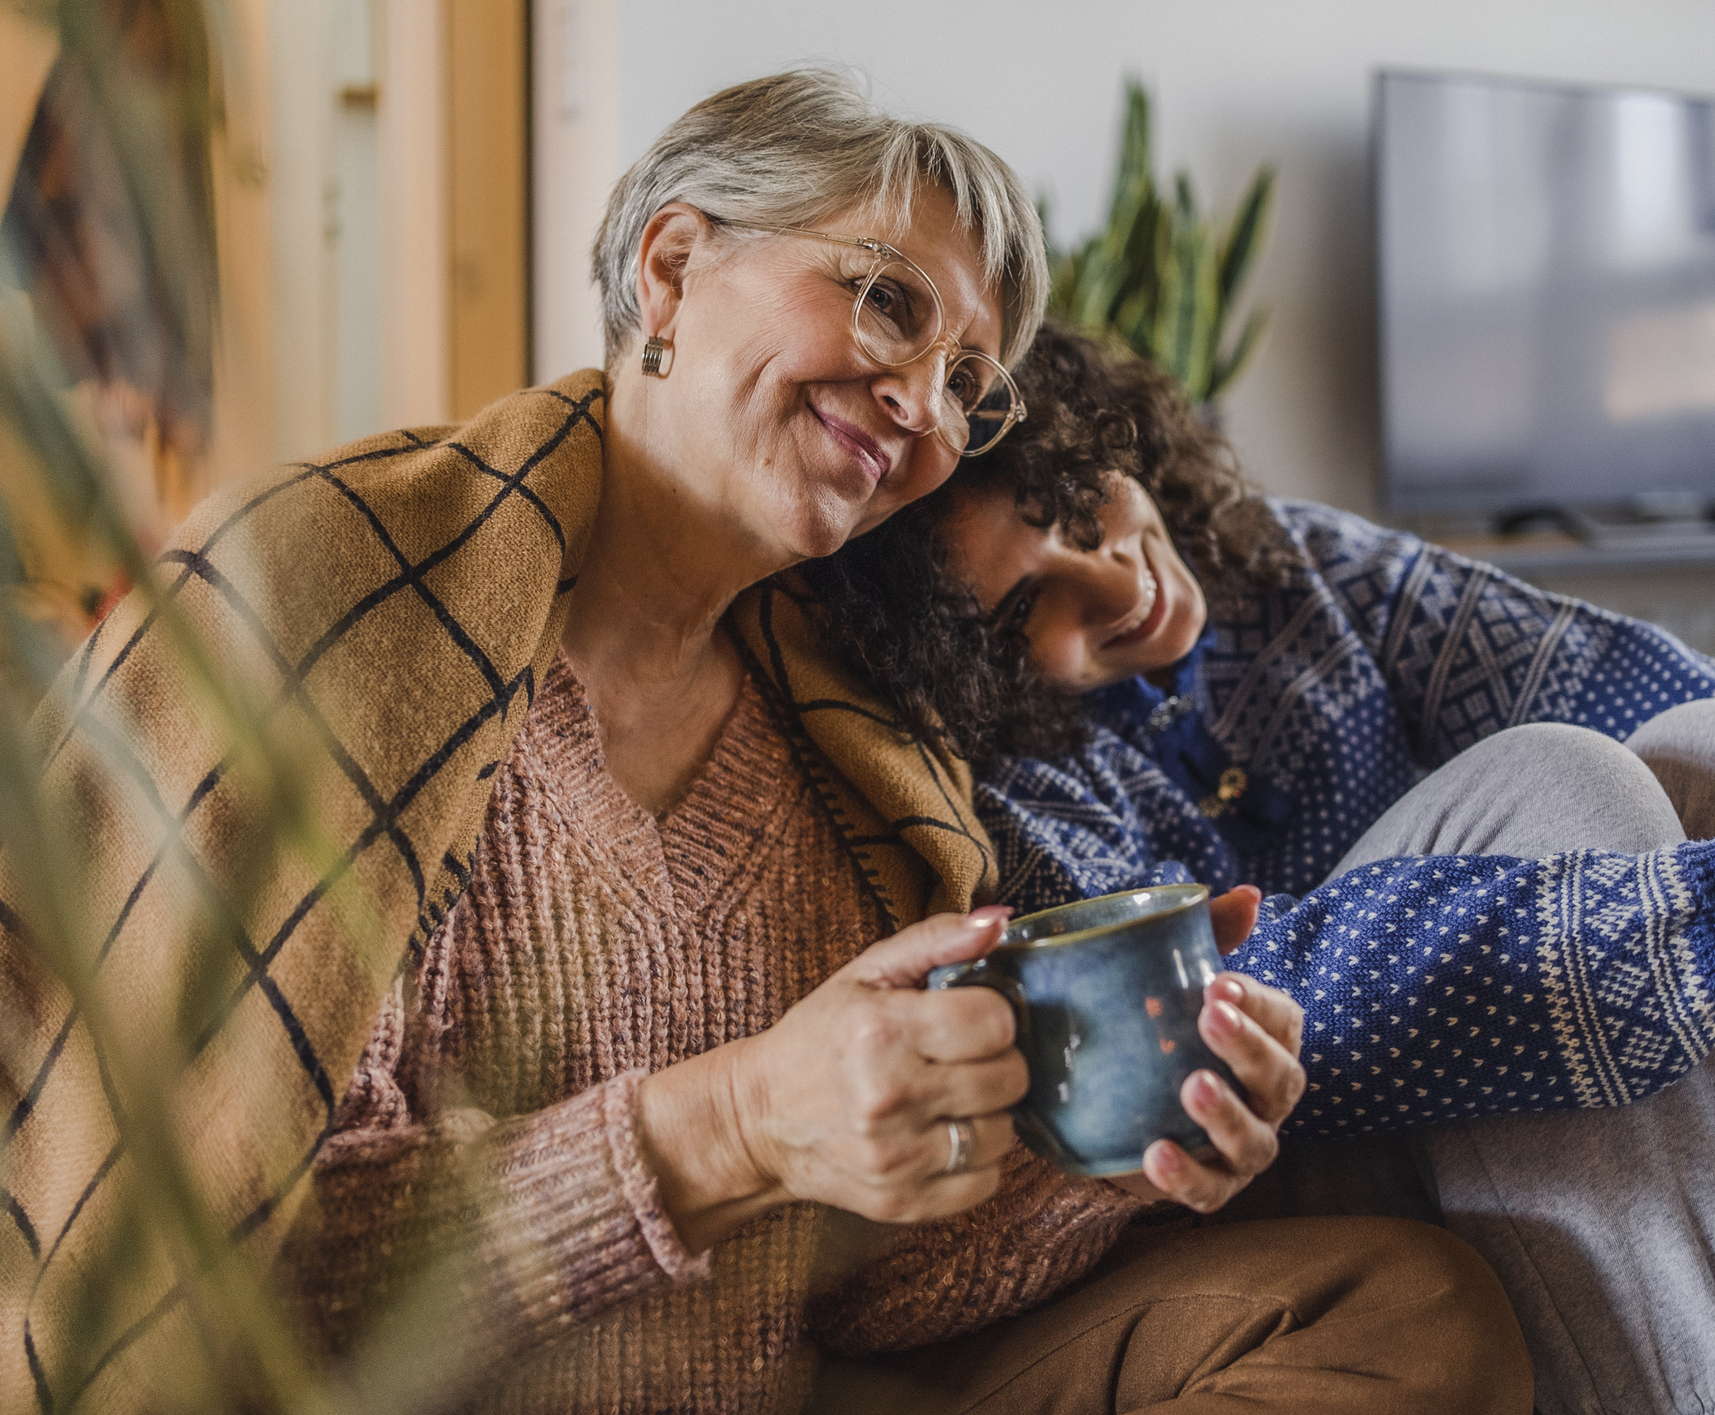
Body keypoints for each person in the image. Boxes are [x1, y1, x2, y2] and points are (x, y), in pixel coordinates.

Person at [0, 77, 1531, 1414]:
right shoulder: (324, 594)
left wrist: (1107, 1133)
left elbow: (857, 1283)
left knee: (1400, 1309)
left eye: (968, 388)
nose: (923, 405)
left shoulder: (848, 717)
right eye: (886, 301)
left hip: (782, 1384)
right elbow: (217, 1273)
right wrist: (723, 1126)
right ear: (671, 265)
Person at [813, 325, 1715, 1415]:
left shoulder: (1283, 563)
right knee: (1556, 791)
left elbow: (1658, 680)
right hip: (1272, 1152)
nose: (1114, 582)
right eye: (1026, 611)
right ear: (964, 668)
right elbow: (1228, 1019)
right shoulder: (1003, 790)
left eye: (1075, 508)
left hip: (1508, 1063)